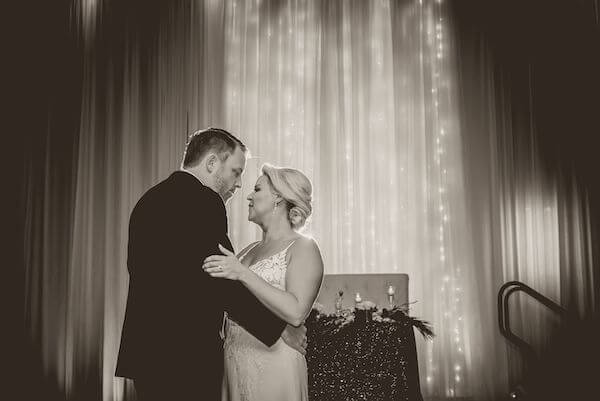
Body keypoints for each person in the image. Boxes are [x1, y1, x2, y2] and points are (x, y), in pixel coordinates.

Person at [115, 128, 307, 401]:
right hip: (185, 356)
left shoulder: (148, 201)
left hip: (146, 354)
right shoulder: (203, 201)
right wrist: (278, 330)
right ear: (212, 163)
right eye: (236, 172)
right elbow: (220, 278)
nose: (238, 184)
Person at [203, 164, 324, 401]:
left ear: (278, 198)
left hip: (275, 360)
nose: (248, 195)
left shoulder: (303, 247)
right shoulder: (246, 251)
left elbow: (297, 312)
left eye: (257, 189)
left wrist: (243, 273)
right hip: (234, 358)